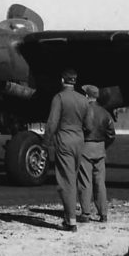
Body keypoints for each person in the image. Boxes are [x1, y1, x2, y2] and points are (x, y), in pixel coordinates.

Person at [42, 68, 90, 232]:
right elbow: (88, 124)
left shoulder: (59, 98)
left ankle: (71, 221)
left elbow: (52, 123)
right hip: (79, 140)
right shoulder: (83, 99)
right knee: (74, 178)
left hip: (64, 140)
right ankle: (71, 216)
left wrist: (45, 143)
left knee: (66, 181)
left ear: (62, 80)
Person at [78, 85, 116, 223]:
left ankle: (85, 213)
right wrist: (103, 146)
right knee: (100, 182)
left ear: (87, 96)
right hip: (100, 149)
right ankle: (103, 214)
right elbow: (111, 135)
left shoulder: (83, 111)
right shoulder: (105, 113)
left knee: (84, 181)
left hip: (85, 148)